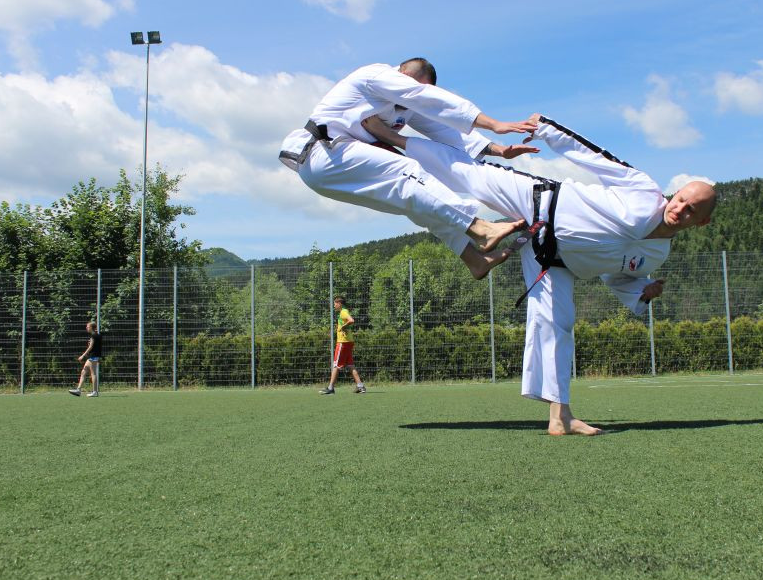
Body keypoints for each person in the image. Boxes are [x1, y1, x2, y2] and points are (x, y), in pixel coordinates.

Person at [362, 113, 716, 435]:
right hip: (537, 202)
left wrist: (641, 292)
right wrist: (547, 129)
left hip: (551, 260)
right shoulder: (643, 191)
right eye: (681, 199)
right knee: (465, 172)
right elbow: (595, 156)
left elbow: (615, 274)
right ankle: (386, 137)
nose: (679, 208)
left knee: (557, 327)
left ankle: (560, 417)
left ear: (702, 222)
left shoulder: (657, 253)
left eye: (691, 210)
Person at [279, 58, 537, 280]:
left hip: (334, 168)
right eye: (412, 87)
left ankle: (475, 260)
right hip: (324, 151)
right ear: (402, 75)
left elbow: (447, 130)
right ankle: (480, 227)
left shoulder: (408, 106)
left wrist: (498, 149)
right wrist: (493, 123)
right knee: (408, 171)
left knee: (418, 201)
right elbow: (425, 97)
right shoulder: (377, 75)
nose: (410, 97)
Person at [321, 297, 366, 395]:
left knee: (336, 365)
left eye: (335, 303)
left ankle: (330, 388)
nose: (334, 305)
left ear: (340, 303)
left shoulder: (343, 312)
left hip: (343, 343)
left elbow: (351, 320)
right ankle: (360, 386)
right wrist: (341, 327)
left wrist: (342, 327)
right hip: (349, 341)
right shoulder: (344, 312)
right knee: (350, 365)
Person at [69, 321, 101, 397]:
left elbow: (90, 347)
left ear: (91, 328)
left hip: (93, 356)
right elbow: (95, 346)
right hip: (93, 356)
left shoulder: (93, 335)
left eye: (87, 326)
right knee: (83, 372)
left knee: (93, 374)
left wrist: (83, 356)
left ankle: (95, 392)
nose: (86, 328)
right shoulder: (97, 335)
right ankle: (78, 390)